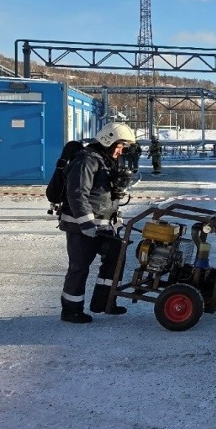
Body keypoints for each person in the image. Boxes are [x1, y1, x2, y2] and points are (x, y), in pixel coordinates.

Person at [57, 122, 138, 324]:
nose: (120, 152)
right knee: (79, 267)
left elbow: (103, 194)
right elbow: (77, 194)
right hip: (80, 226)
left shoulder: (106, 161)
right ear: (107, 140)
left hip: (104, 226)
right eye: (119, 147)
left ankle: (104, 301)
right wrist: (86, 225)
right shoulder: (86, 161)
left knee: (116, 257)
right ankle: (71, 310)